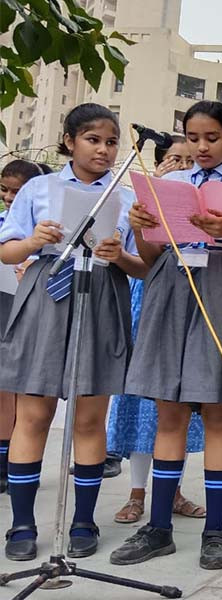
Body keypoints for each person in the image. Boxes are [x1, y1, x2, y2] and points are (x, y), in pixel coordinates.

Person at [110, 100, 222, 570]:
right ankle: (158, 527)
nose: (202, 147)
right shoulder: (171, 185)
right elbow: (151, 259)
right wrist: (143, 228)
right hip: (171, 290)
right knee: (170, 412)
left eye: (213, 138)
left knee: (219, 413)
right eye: (194, 137)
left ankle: (216, 532)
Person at [0, 104, 148, 561]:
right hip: (47, 292)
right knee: (34, 414)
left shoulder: (125, 198)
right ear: (69, 141)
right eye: (93, 140)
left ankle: (83, 520)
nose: (103, 150)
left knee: (88, 417)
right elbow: (8, 251)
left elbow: (145, 267)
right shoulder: (39, 188)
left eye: (111, 142)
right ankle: (22, 524)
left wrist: (120, 255)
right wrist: (33, 242)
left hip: (101, 294)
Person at [105, 136, 204, 525]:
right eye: (173, 159)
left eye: (187, 161)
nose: (181, 166)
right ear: (158, 164)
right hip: (146, 305)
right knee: (143, 404)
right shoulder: (137, 207)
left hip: (190, 304)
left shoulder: (200, 204)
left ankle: (173, 491)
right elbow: (132, 259)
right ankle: (136, 493)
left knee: (181, 403)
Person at [0, 159, 52, 495]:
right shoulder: (5, 223)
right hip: (3, 304)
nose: (9, 197)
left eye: (16, 192)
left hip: (31, 311)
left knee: (22, 394)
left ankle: (14, 463)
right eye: (4, 190)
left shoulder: (45, 226)